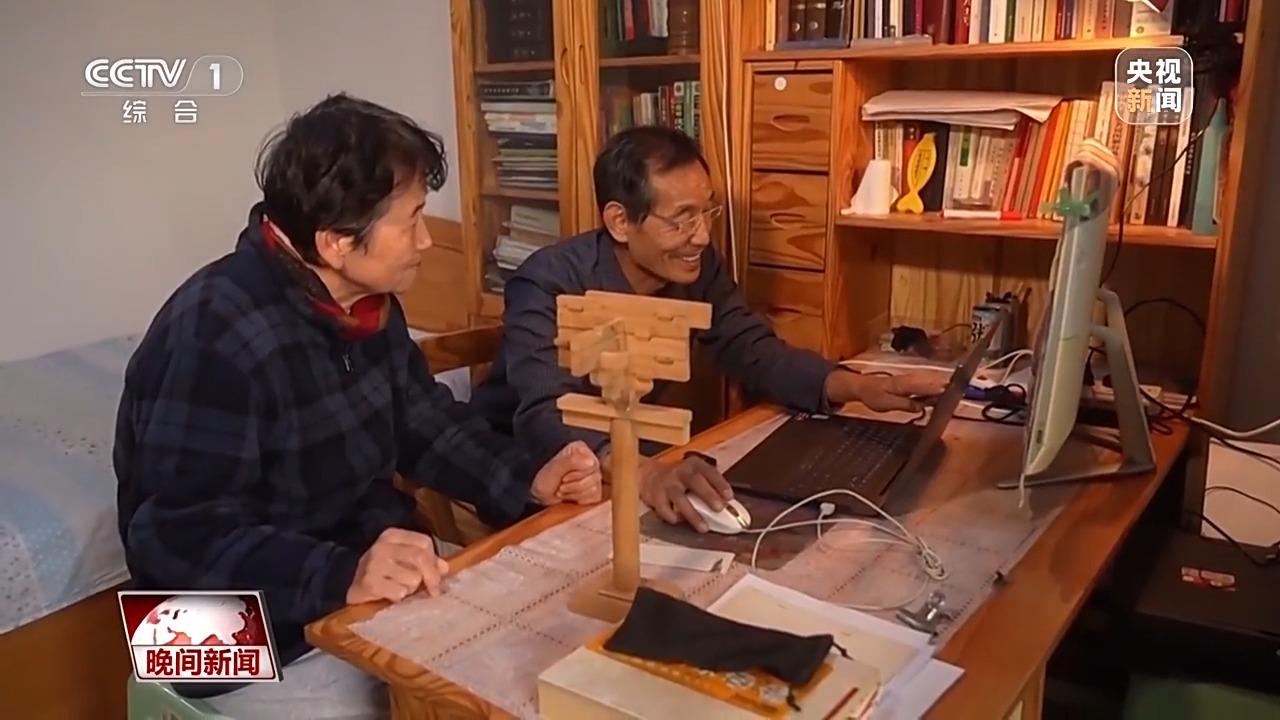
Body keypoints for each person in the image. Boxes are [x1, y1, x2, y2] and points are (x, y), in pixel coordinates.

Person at [113, 94, 602, 719]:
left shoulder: (366, 303)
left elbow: (423, 422)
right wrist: (342, 574)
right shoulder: (215, 333)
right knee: (436, 700)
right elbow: (176, 538)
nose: (426, 240)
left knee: (539, 652)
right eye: (412, 220)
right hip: (206, 633)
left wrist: (528, 477)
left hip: (351, 576)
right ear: (337, 242)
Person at [470, 125, 946, 534]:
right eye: (682, 220)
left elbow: (752, 349)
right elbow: (546, 412)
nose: (701, 236)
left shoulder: (695, 269)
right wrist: (644, 473)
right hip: (527, 476)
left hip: (627, 462)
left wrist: (859, 386)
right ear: (619, 221)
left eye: (706, 212)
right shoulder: (548, 281)